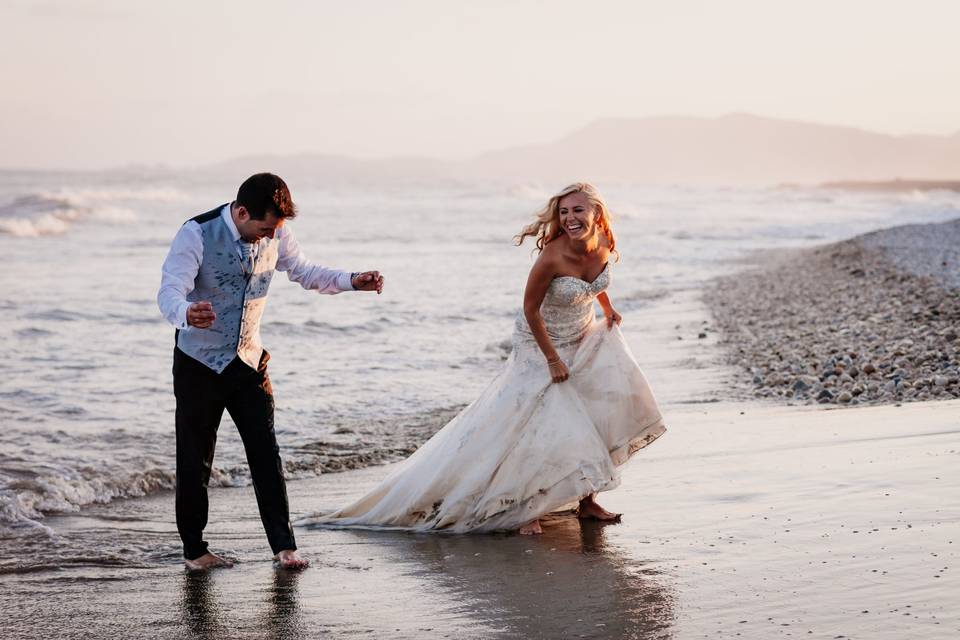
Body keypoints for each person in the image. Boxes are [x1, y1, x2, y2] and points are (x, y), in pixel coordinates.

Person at [300, 182, 664, 535]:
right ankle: (522, 507)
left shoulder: (603, 243)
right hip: (539, 339)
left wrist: (608, 308)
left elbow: (595, 283)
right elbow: (530, 310)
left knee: (591, 413)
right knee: (537, 419)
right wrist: (551, 359)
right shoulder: (551, 255)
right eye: (564, 211)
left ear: (596, 213)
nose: (570, 218)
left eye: (578, 210)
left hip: (582, 333)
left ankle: (587, 500)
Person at [157, 173, 383, 570]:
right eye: (262, 228)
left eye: (274, 231)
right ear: (242, 212)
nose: (267, 237)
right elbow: (169, 290)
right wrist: (186, 313)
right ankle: (195, 552)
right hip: (198, 364)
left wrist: (352, 281)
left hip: (248, 362)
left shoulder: (276, 233)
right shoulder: (196, 234)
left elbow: (306, 272)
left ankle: (285, 547)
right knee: (195, 462)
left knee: (266, 456)